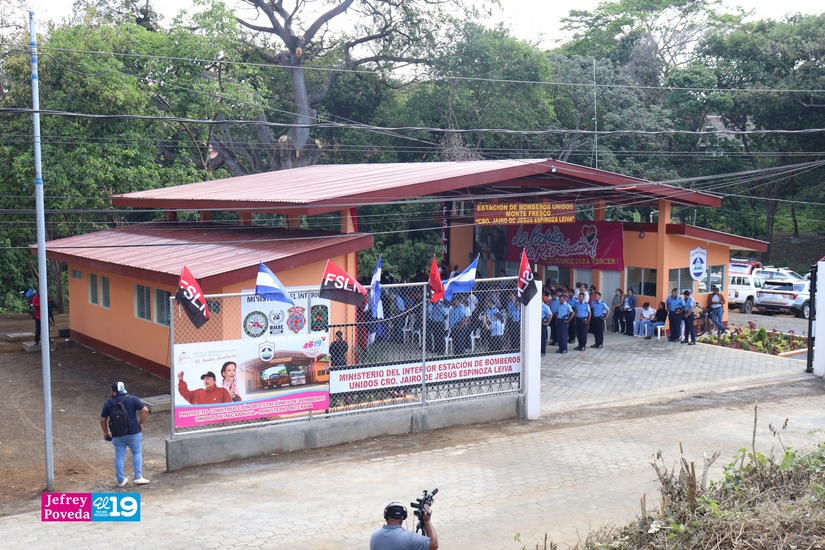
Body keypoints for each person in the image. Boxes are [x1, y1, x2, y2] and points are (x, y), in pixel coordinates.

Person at [100, 381, 150, 487]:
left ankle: (121, 480)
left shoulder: (108, 403)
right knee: (136, 453)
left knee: (119, 457)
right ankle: (138, 477)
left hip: (117, 435)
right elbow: (145, 410)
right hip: (134, 433)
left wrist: (106, 432)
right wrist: (140, 423)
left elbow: (103, 420)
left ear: (114, 392)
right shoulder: (132, 399)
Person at [370, 500, 438, 550]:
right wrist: (427, 521)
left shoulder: (375, 535)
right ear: (404, 516)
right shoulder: (410, 538)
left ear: (386, 516)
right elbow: (434, 545)